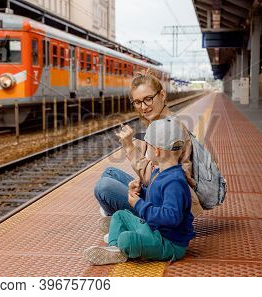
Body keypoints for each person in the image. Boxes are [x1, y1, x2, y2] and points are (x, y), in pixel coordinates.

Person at [93, 69, 203, 235]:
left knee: (104, 187)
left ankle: (130, 223)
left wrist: (129, 147)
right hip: (160, 192)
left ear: (162, 95)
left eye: (148, 99)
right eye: (137, 102)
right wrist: (138, 181)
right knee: (110, 172)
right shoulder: (161, 120)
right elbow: (154, 174)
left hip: (164, 209)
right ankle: (119, 219)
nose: (143, 107)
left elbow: (160, 177)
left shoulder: (166, 128)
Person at [84, 118, 196, 265]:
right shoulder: (160, 171)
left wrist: (139, 205)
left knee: (126, 239)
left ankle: (119, 241)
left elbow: (171, 217)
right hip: (153, 229)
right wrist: (141, 193)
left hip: (168, 242)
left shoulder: (174, 182)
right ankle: (114, 248)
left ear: (156, 150)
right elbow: (156, 198)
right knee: (119, 215)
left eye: (147, 146)